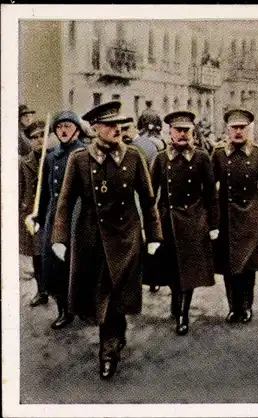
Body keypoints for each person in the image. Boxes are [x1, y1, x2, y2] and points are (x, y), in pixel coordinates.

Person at [50, 101, 163, 379]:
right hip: (93, 239)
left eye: (120, 124)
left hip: (127, 238)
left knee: (117, 295)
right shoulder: (80, 159)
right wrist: (60, 238)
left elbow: (148, 201)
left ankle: (111, 344)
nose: (118, 129)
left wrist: (154, 235)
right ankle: (110, 346)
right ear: (96, 128)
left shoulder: (134, 157)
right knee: (104, 295)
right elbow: (65, 202)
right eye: (111, 125)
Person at [148, 111, 219, 335]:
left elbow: (210, 194)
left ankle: (183, 314)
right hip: (167, 220)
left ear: (192, 132)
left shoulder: (201, 157)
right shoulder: (160, 159)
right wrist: (150, 225)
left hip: (193, 221)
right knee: (171, 268)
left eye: (186, 130)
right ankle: (176, 304)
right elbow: (150, 194)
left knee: (188, 271)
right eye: (178, 130)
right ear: (170, 132)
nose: (182, 134)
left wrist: (213, 224)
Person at [211, 108, 258, 323]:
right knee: (229, 266)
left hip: (252, 216)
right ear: (228, 130)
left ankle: (247, 306)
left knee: (249, 266)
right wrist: (211, 216)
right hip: (227, 217)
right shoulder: (219, 154)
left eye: (242, 128)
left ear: (248, 130)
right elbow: (210, 186)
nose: (238, 132)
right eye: (234, 128)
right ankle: (233, 307)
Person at [26, 111, 86, 328]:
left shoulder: (85, 153)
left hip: (80, 217)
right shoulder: (51, 157)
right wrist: (39, 216)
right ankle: (64, 310)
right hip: (55, 218)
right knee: (55, 267)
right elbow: (45, 192)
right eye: (59, 127)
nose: (63, 130)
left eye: (68, 126)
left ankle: (82, 306)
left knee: (79, 265)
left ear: (77, 130)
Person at [19, 120, 46, 306]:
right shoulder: (24, 162)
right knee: (37, 256)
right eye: (34, 137)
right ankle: (42, 291)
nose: (39, 140)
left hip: (50, 213)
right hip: (32, 215)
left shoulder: (53, 158)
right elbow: (20, 188)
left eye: (42, 135)